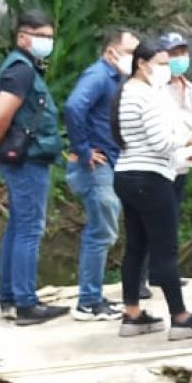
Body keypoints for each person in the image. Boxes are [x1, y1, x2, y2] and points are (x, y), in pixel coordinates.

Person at [0, 9, 69, 326]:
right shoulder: (20, 71)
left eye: (50, 37)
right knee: (30, 230)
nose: (47, 42)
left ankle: (11, 297)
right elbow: (1, 117)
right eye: (41, 36)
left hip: (25, 159)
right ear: (22, 36)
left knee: (18, 227)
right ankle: (26, 304)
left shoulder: (23, 68)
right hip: (26, 161)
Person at [112, 39, 192, 340]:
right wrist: (188, 142)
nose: (166, 69)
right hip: (150, 178)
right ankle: (180, 317)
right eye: (161, 63)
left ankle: (132, 313)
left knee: (136, 246)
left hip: (127, 174)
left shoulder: (127, 92)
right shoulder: (145, 95)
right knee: (165, 249)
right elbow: (159, 142)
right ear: (142, 64)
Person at [64, 28, 139, 322]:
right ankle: (88, 302)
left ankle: (93, 296)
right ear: (112, 51)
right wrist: (83, 150)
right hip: (95, 167)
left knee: (102, 231)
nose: (136, 57)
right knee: (101, 232)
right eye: (131, 51)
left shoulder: (115, 78)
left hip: (107, 163)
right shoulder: (98, 76)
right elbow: (73, 107)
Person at [158, 31, 192, 214]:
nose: (179, 58)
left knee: (173, 217)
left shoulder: (189, 87)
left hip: (182, 166)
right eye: (173, 54)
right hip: (159, 167)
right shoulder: (155, 87)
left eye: (183, 53)